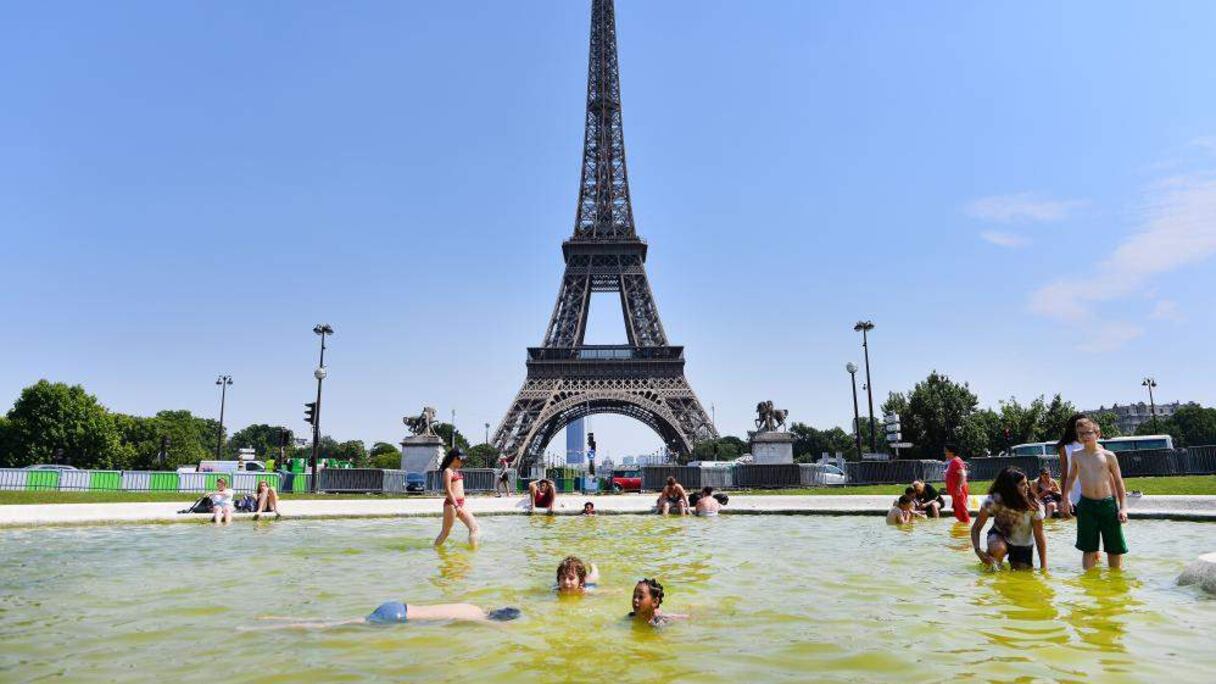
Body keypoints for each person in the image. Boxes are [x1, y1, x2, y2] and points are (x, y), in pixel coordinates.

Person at [1060, 418, 1129, 570]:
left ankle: (1116, 582)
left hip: (1107, 505)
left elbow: (1118, 482)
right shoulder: (1077, 455)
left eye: (1088, 433)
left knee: (1114, 549)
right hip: (1086, 506)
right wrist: (1066, 498)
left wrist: (1123, 507)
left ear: (1097, 434)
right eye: (1080, 434)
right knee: (1088, 548)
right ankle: (1090, 586)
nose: (1084, 436)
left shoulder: (1108, 456)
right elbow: (1071, 477)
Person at [970, 467, 1047, 570]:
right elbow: (976, 528)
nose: (1027, 487)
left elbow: (1039, 536)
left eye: (1026, 483)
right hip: (999, 536)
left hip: (1022, 544)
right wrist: (978, 551)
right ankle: (991, 563)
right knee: (998, 549)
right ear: (1010, 488)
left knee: (1022, 575)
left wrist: (1044, 567)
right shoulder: (994, 500)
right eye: (1022, 484)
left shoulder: (1034, 506)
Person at [257, 601, 522, 629]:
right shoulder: (477, 619)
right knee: (331, 626)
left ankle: (272, 619)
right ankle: (265, 628)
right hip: (397, 618)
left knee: (336, 620)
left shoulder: (473, 607)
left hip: (399, 605)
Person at [434, 448, 479, 546]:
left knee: (474, 528)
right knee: (445, 533)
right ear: (455, 458)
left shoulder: (456, 470)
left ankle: (473, 552)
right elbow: (448, 491)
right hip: (452, 504)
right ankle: (435, 549)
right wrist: (456, 506)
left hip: (460, 504)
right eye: (461, 460)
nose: (463, 462)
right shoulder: (448, 471)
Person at [1056, 413, 1087, 512]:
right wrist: (1064, 498)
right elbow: (1064, 473)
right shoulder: (1066, 447)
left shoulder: (1094, 444)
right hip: (1075, 493)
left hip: (1095, 493)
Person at [943, 444, 970, 523]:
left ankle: (965, 527)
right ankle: (961, 525)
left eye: (946, 451)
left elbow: (963, 474)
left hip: (959, 490)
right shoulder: (953, 461)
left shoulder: (956, 461)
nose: (944, 453)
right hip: (955, 491)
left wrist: (959, 487)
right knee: (957, 508)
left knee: (961, 508)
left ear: (951, 452)